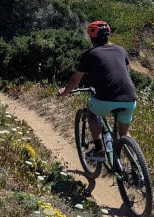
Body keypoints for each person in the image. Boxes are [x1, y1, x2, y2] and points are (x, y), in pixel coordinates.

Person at [58, 20, 137, 162]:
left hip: (106, 99)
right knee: (124, 133)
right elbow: (123, 73)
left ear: (91, 38)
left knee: (91, 112)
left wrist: (64, 92)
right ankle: (137, 168)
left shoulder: (89, 54)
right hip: (130, 97)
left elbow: (75, 80)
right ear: (108, 36)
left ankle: (99, 151)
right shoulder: (120, 50)